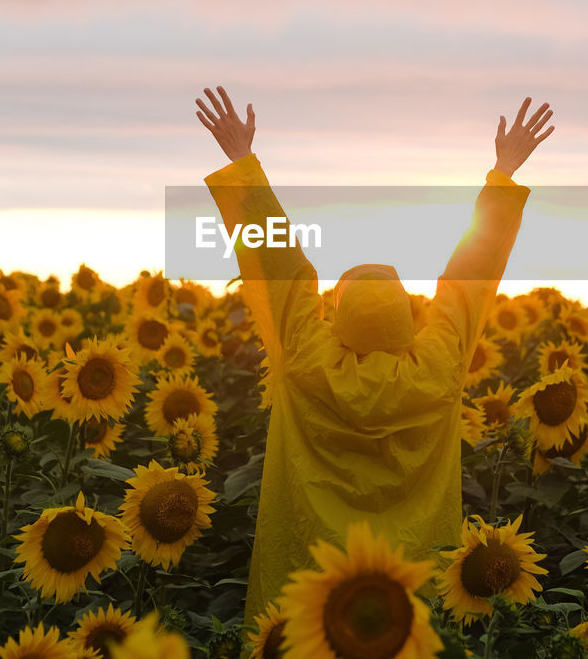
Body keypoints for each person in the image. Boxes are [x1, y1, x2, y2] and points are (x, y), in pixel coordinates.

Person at [195, 86, 553, 625]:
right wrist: (502, 171)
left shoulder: (305, 356)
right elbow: (469, 279)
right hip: (406, 589)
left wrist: (243, 165)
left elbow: (279, 264)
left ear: (336, 313)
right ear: (408, 315)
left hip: (310, 581)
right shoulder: (439, 362)